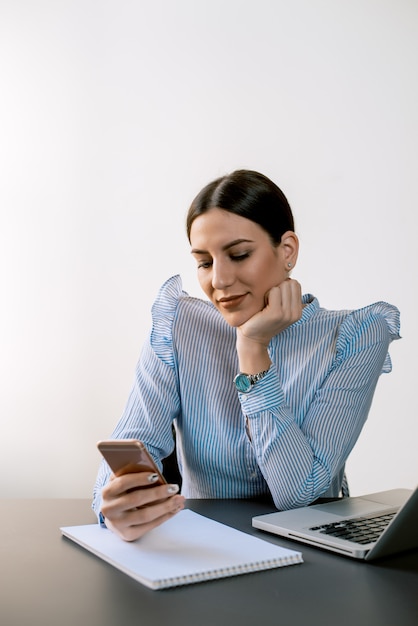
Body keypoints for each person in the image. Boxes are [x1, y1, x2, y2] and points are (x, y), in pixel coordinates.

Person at [93, 169, 400, 541]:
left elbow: (300, 493)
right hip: (205, 546)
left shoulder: (356, 334)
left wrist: (252, 348)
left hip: (313, 556)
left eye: (238, 255)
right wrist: (115, 505)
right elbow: (132, 446)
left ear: (287, 250)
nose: (219, 280)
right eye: (204, 262)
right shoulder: (179, 325)